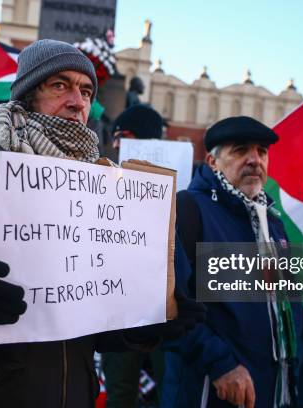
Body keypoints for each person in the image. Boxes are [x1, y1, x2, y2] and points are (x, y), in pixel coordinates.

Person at [0, 39, 204, 408]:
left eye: (86, 90)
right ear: (26, 95)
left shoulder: (100, 189)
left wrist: (144, 323)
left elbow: (84, 324)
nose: (78, 101)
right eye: (60, 85)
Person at [164, 117, 302, 408]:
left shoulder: (272, 220)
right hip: (211, 389)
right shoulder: (188, 209)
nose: (255, 160)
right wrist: (219, 363)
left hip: (269, 387)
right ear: (212, 161)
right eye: (241, 150)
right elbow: (165, 304)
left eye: (262, 152)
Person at [101, 104, 166, 407]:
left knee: (168, 393)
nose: (116, 144)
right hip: (119, 317)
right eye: (115, 137)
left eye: (124, 136)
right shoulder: (99, 183)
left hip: (165, 316)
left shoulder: (184, 190)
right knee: (120, 394)